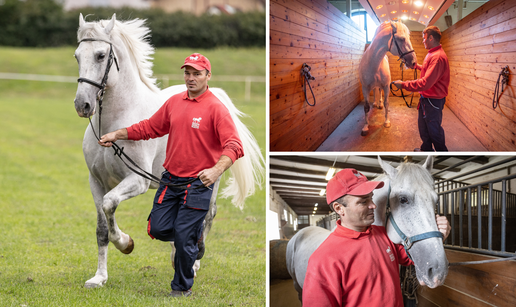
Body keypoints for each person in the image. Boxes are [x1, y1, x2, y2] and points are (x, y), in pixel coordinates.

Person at [98, 53, 244, 297]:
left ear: (208, 76)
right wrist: (117, 134)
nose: (191, 78)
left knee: (184, 239)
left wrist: (216, 170)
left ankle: (181, 288)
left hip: (198, 184)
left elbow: (234, 145)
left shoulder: (217, 109)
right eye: (187, 73)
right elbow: (149, 128)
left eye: (197, 73)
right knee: (157, 228)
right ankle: (195, 237)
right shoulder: (174, 102)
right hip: (171, 180)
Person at [302, 169, 450, 306]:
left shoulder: (381, 234)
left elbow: (410, 256)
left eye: (371, 198)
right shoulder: (322, 260)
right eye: (363, 202)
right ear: (339, 208)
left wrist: (438, 235)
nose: (373, 205)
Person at [392, 26, 450, 152]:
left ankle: (442, 153)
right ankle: (426, 150)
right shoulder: (432, 53)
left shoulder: (437, 57)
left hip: (433, 101)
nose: (423, 41)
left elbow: (425, 83)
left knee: (434, 131)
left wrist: (403, 85)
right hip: (426, 99)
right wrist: (416, 66)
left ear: (431, 38)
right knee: (423, 128)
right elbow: (428, 71)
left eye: (424, 38)